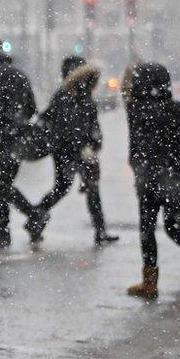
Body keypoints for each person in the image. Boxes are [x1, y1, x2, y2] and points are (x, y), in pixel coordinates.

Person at [124, 63, 180, 300]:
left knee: (147, 229)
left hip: (150, 181)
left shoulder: (137, 110)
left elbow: (137, 147)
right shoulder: (176, 108)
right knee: (174, 227)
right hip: (177, 180)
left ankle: (149, 283)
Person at [30, 55, 118, 246]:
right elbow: (65, 124)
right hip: (68, 151)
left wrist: (93, 144)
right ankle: (35, 219)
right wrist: (84, 145)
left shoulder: (79, 95)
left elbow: (90, 124)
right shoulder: (66, 95)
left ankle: (99, 231)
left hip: (77, 151)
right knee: (65, 188)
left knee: (86, 189)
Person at [0, 39, 38, 248]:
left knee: (1, 184)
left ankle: (32, 216)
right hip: (15, 139)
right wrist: (19, 125)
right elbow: (32, 106)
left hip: (2, 140)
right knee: (1, 184)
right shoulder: (17, 73)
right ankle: (1, 230)